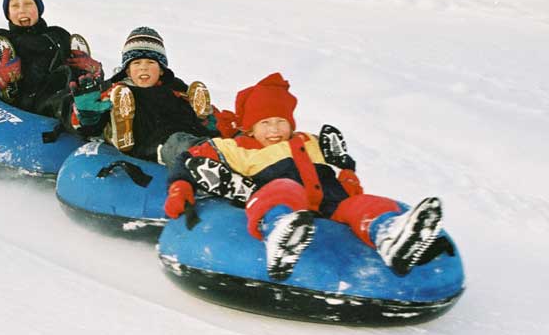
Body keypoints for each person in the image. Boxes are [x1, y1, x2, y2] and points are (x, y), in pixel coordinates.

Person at [165, 73, 449, 280]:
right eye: (265, 123)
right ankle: (281, 232)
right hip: (281, 197)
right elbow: (190, 160)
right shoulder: (240, 147)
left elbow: (340, 167)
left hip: (329, 202)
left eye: (281, 121)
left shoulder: (310, 140)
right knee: (283, 187)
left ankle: (391, 234)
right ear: (251, 127)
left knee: (364, 205)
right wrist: (180, 188)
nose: (274, 129)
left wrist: (348, 177)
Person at [71, 27, 220, 164]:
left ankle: (214, 148)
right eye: (136, 63)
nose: (144, 67)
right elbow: (90, 129)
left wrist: (208, 123)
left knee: (212, 141)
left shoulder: (176, 87)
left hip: (189, 134)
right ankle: (119, 133)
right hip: (153, 143)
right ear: (127, 71)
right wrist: (87, 115)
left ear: (161, 70)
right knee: (182, 144)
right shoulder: (117, 90)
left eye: (150, 62)